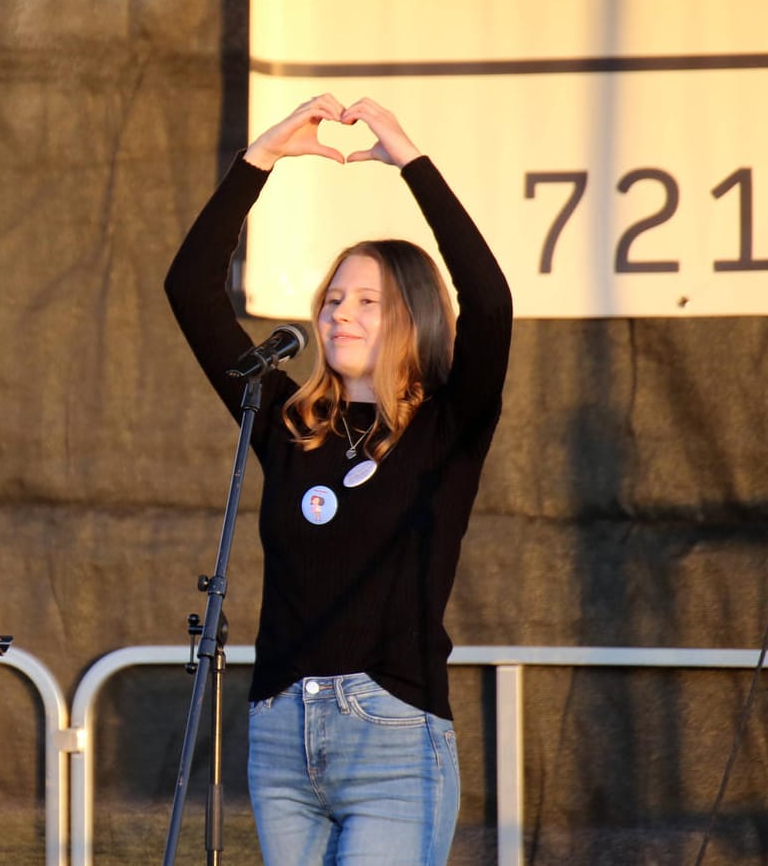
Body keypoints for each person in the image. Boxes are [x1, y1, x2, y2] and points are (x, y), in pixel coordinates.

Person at [164, 95, 512, 864]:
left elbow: (489, 303)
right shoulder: (288, 420)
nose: (339, 315)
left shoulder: (446, 428)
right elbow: (190, 289)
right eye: (331, 299)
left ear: (413, 318)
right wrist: (259, 161)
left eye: (367, 302)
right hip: (282, 734)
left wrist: (412, 163)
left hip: (393, 733)